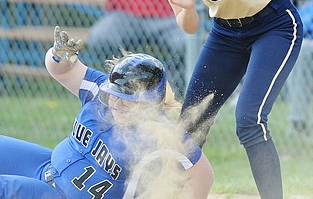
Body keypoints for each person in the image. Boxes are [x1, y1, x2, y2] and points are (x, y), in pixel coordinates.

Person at [146, 0, 304, 198]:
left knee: (249, 121)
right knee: (188, 128)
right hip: (226, 33)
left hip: (273, 24)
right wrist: (186, 6)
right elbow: (188, 26)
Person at [0, 26, 214, 199]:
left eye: (126, 100)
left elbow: (202, 173)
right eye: (115, 95)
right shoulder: (101, 91)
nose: (116, 103)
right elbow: (62, 72)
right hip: (45, 166)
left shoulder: (160, 134)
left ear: (148, 104)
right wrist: (57, 57)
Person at [86, 0, 187, 98]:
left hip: (167, 13)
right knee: (101, 37)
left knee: (185, 43)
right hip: (126, 12)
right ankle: (115, 91)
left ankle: (169, 94)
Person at [285, 0, 313, 133]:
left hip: (312, 52)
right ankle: (298, 120)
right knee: (300, 49)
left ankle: (298, 118)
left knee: (302, 49)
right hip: (305, 52)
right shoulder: (312, 5)